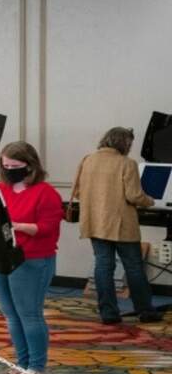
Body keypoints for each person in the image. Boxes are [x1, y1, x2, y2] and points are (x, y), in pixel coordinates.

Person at [71, 127, 162, 324]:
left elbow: (77, 192)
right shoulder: (126, 163)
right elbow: (134, 195)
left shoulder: (87, 160)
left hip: (95, 223)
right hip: (122, 225)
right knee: (134, 267)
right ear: (125, 143)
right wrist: (151, 201)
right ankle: (145, 311)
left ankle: (109, 314)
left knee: (103, 266)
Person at [0, 141, 64, 374]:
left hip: (32, 259)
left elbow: (47, 228)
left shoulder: (46, 193)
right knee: (11, 315)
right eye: (6, 166)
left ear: (30, 165)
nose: (10, 170)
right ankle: (21, 364)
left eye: (15, 166)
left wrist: (17, 226)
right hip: (2, 257)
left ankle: (36, 367)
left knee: (29, 314)